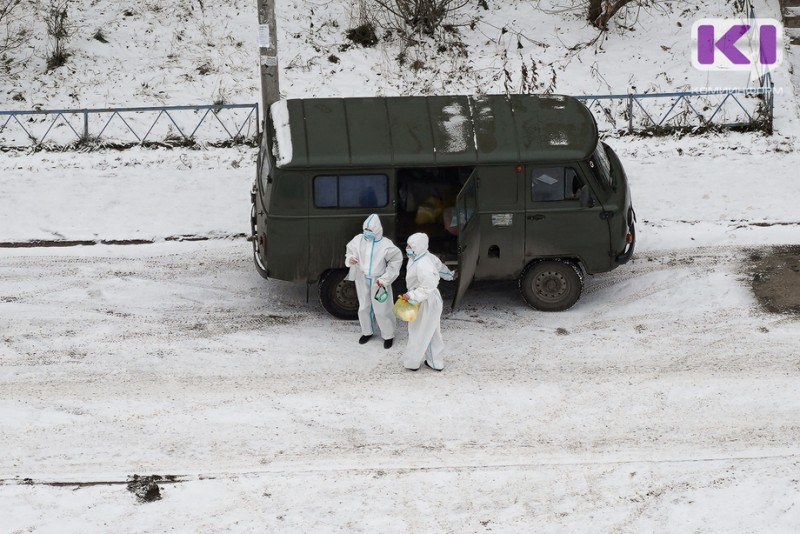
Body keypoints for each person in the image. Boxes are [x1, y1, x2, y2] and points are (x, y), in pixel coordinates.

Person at [400, 232, 457, 371]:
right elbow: (441, 268)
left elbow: (429, 286)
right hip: (425, 299)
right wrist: (451, 275)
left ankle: (412, 363)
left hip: (425, 300)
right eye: (407, 244)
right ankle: (435, 362)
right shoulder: (422, 256)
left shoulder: (423, 264)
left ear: (419, 246)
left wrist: (412, 295)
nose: (407, 247)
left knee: (418, 332)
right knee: (431, 331)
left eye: (411, 245)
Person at [345, 214, 403, 349]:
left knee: (382, 308)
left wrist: (386, 278)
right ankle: (367, 332)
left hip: (379, 280)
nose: (367, 232)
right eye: (366, 229)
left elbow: (395, 261)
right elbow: (349, 252)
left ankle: (388, 335)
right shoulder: (358, 240)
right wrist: (351, 259)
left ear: (377, 230)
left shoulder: (386, 245)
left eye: (370, 230)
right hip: (362, 277)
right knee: (364, 306)